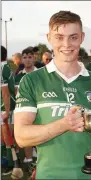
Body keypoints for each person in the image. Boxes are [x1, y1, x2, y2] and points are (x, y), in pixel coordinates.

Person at [14, 11, 91, 179]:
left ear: (82, 37)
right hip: (48, 175)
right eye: (59, 37)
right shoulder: (31, 81)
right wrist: (64, 124)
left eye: (73, 37)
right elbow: (22, 136)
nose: (66, 44)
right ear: (49, 38)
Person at [15, 47, 38, 175]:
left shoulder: (41, 74)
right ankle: (29, 160)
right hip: (25, 110)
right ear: (22, 59)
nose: (28, 60)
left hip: (40, 109)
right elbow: (16, 94)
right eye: (25, 57)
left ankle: (41, 159)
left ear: (34, 58)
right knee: (28, 134)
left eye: (30, 57)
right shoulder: (19, 76)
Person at [1, 46, 21, 177]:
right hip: (6, 107)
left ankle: (11, 164)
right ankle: (8, 162)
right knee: (4, 138)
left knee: (7, 138)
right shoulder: (6, 67)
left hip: (4, 108)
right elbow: (13, 89)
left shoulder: (2, 68)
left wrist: (7, 111)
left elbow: (6, 93)